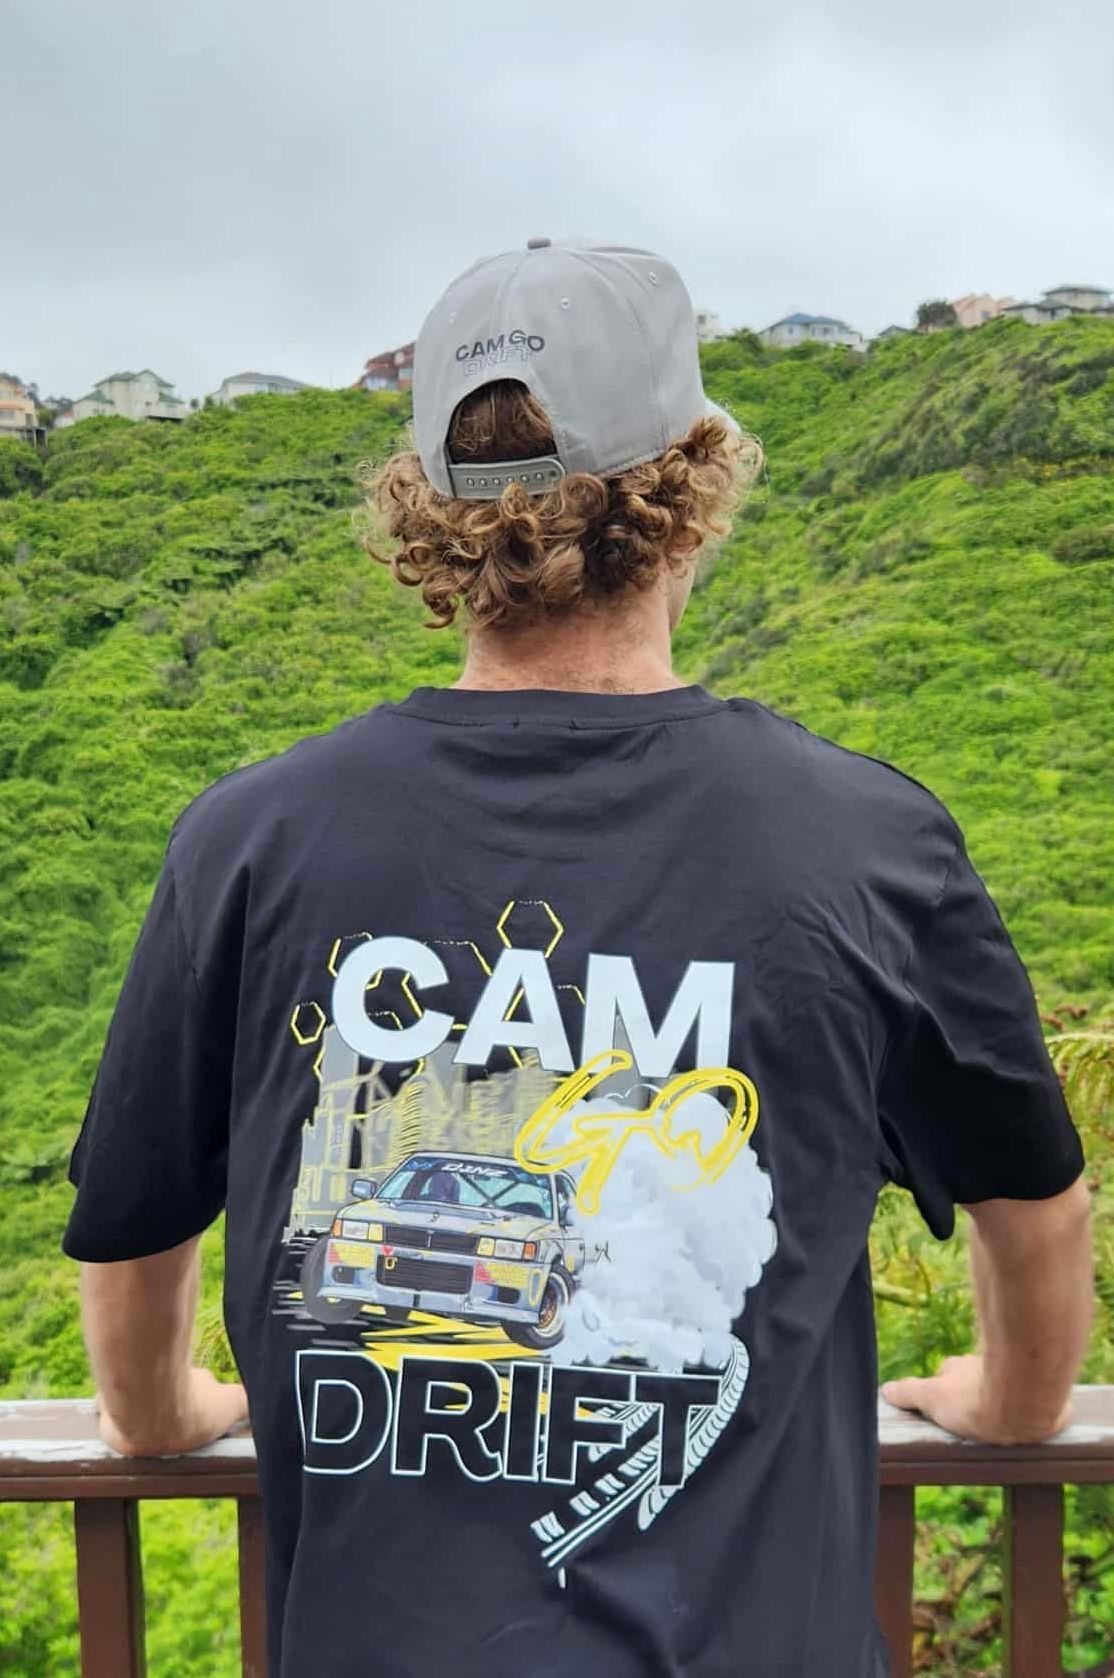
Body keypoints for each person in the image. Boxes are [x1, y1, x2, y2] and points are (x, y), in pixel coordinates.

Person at [63, 238, 1092, 1678]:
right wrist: (1013, 1401)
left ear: (428, 512)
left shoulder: (250, 837)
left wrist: (163, 1414)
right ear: (692, 488)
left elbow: (132, 1224)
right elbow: (1029, 1205)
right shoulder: (862, 841)